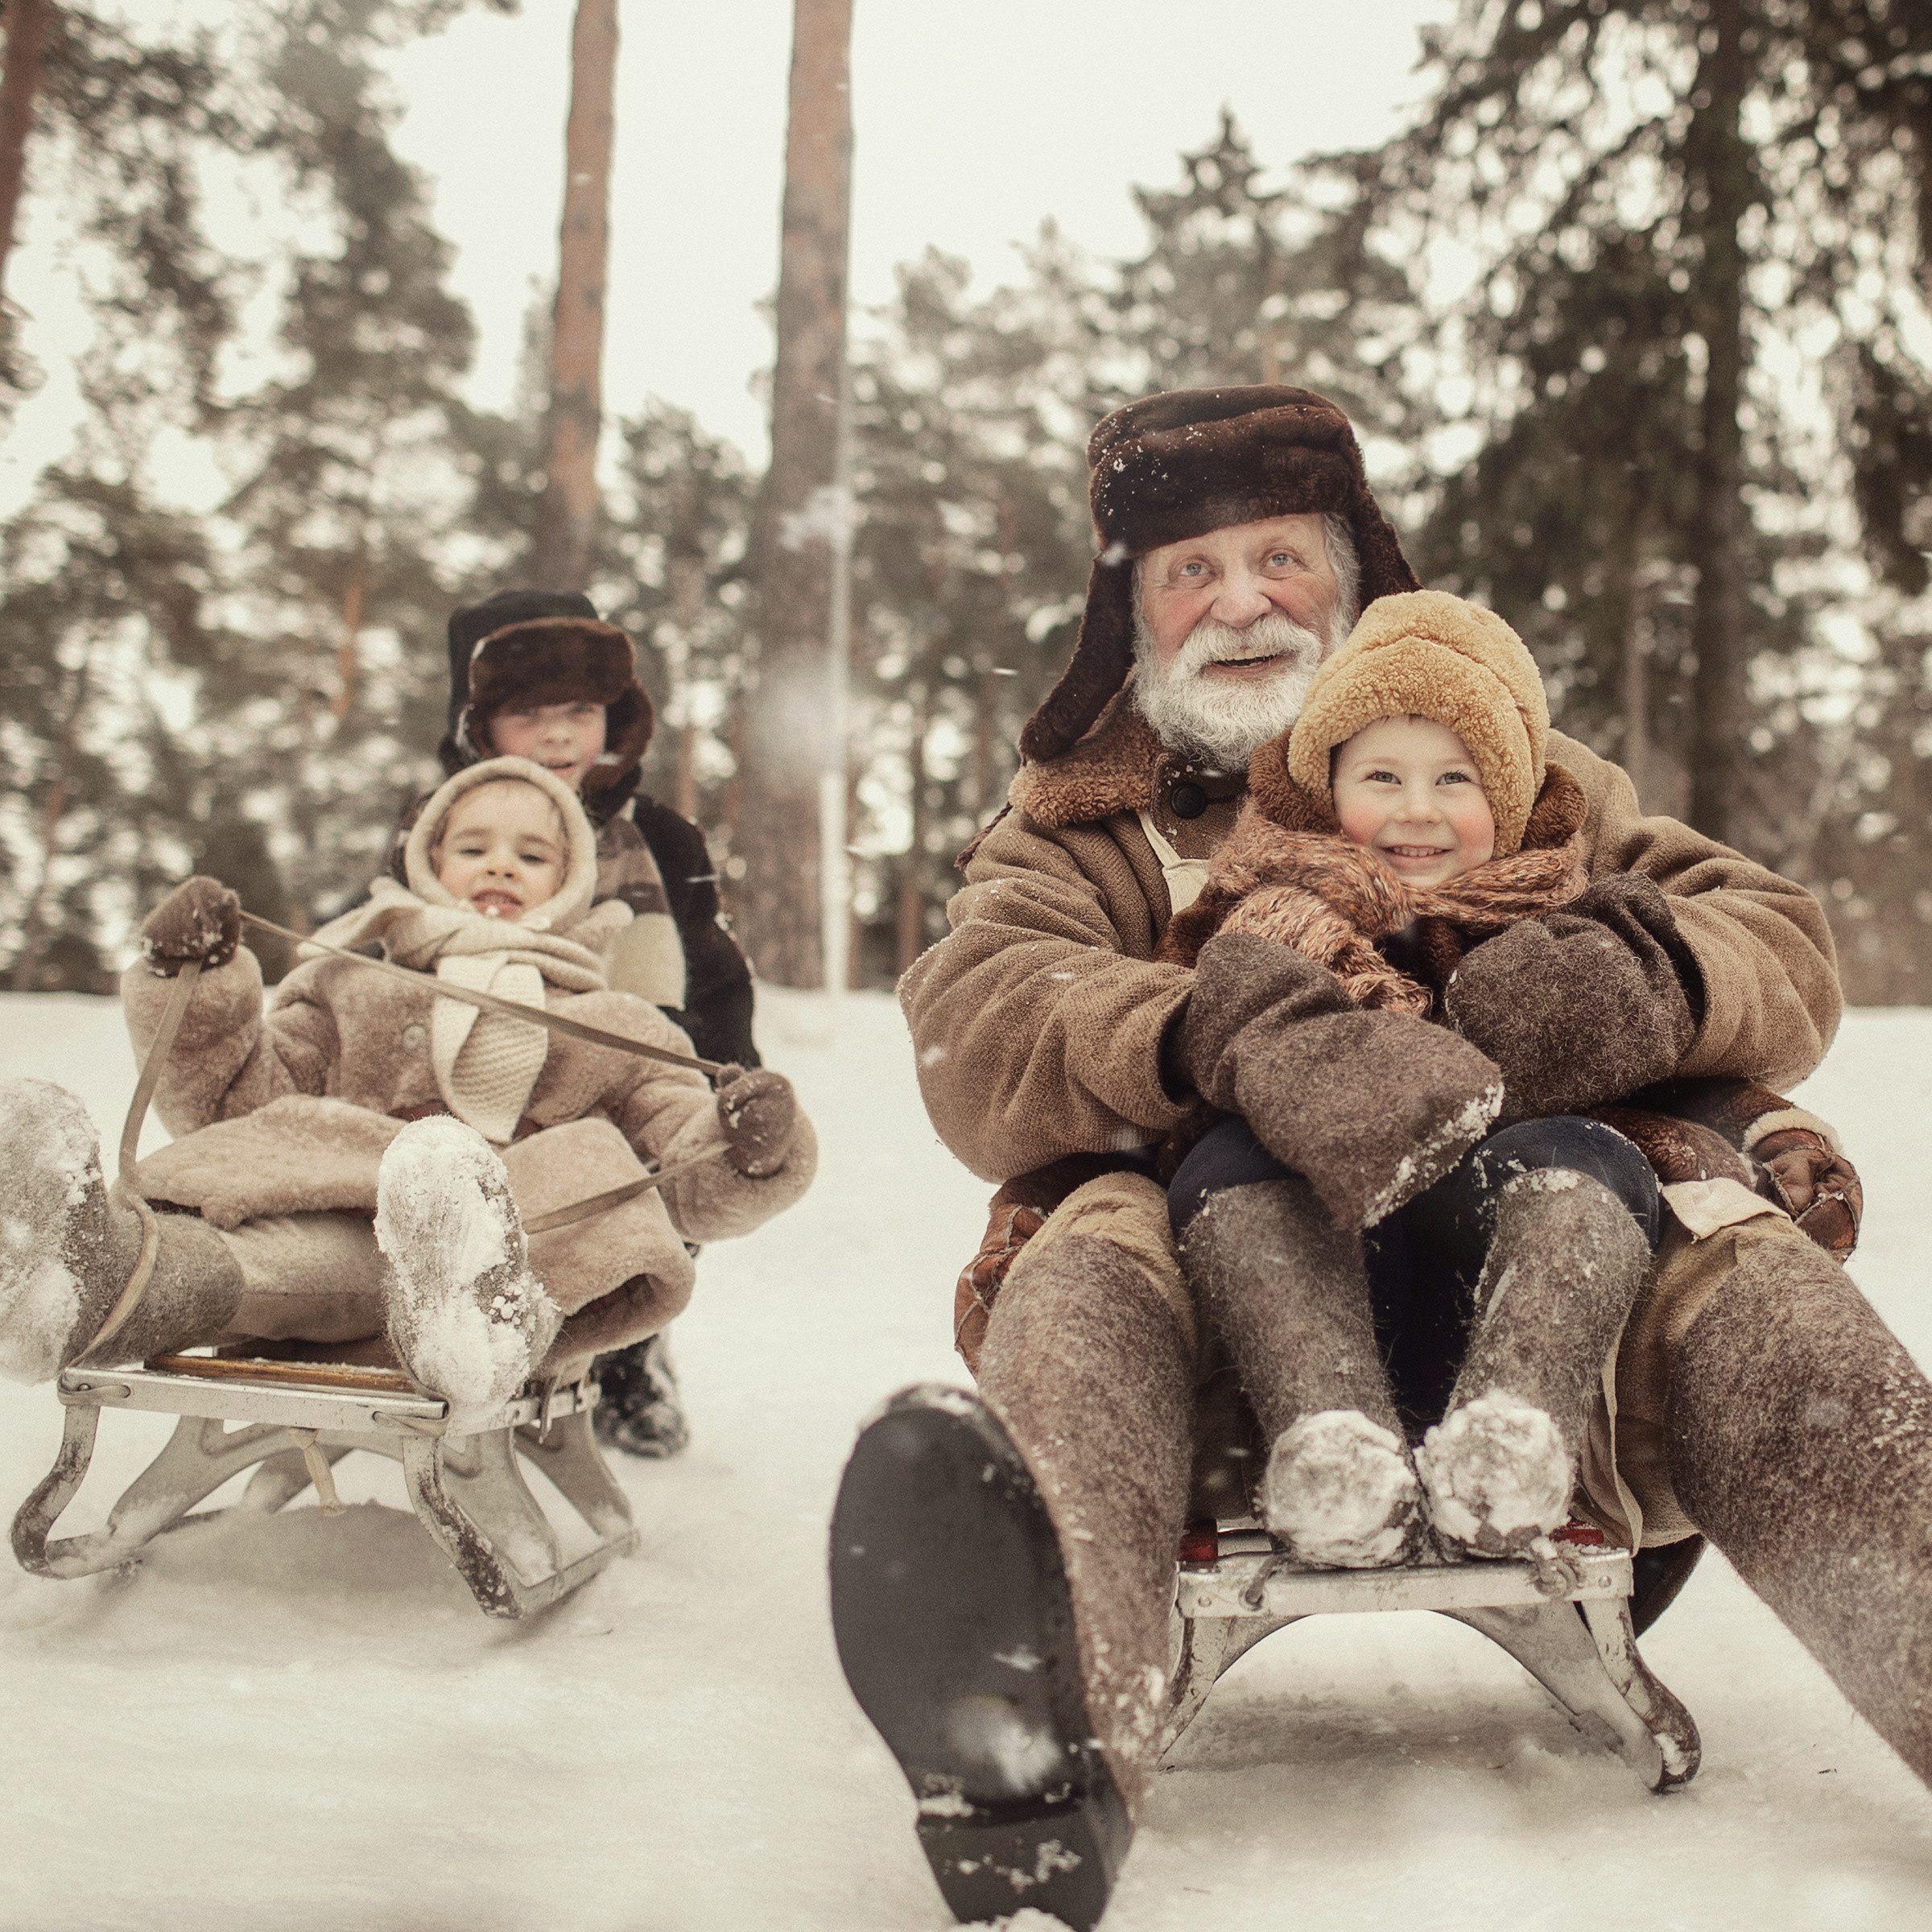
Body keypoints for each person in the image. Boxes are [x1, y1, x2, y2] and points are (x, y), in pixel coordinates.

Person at [829, 386, 1895, 1932]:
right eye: (1189, 570)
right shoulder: (1080, 833)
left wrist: (1630, 980)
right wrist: (1216, 1038)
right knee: (1085, 1276)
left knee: (1742, 1274)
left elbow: (1780, 937)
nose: (1241, 601)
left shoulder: (1523, 770)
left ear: (1355, 573)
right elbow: (984, 1023)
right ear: (1130, 612)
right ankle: (1037, 1763)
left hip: (1569, 1333)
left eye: (1279, 556)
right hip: (1206, 1341)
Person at [1155, 587, 1850, 1571]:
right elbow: (1203, 1034)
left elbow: (1762, 946)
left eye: (1456, 780)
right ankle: (1331, 1445)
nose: (1417, 811)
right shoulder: (1268, 912)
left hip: (1494, 1279)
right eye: (1382, 776)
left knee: (1581, 1154)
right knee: (1231, 1158)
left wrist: (1596, 1008)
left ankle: (1515, 1435)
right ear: (1326, 789)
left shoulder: (1560, 912)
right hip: (1317, 1300)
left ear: (1509, 804)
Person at [0, 756, 815, 1432]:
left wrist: (743, 1145)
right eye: (474, 848)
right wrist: (199, 982)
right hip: (354, 1227)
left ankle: (479, 1324)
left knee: (589, 1167)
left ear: (572, 887)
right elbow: (237, 1099)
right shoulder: (349, 983)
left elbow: (681, 1160)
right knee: (263, 1262)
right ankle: (82, 1280)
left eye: (532, 857)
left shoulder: (617, 1023)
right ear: (428, 863)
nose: (501, 865)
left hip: (526, 1256)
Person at [405, 588, 761, 1456]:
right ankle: (449, 1338)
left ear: (616, 718)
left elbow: (709, 962)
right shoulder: (444, 828)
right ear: (480, 727)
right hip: (472, 1064)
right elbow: (393, 932)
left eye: (579, 711)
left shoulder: (662, 839)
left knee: (644, 1183)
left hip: (620, 1067)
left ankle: (629, 1356)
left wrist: (720, 1066)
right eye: (530, 715)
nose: (560, 736)